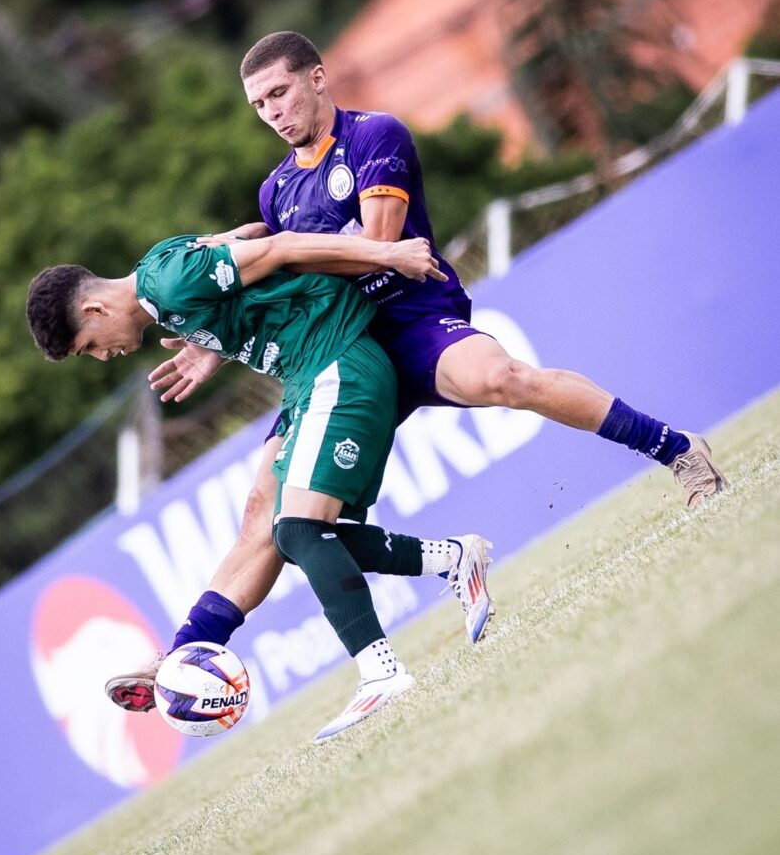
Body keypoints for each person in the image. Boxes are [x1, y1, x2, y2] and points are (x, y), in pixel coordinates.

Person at [107, 29, 727, 718]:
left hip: (407, 318)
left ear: (317, 78)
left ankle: (677, 450)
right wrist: (208, 338)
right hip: (330, 353)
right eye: (258, 104)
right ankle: (181, 656)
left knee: (505, 380)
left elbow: (376, 248)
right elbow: (262, 260)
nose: (272, 112)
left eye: (279, 92)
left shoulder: (375, 137)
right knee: (273, 519)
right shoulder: (276, 190)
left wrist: (280, 255)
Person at [26, 229, 494, 741]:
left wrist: (387, 254)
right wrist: (215, 341)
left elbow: (278, 247)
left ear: (93, 309)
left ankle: (381, 671)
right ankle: (451, 560)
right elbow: (245, 236)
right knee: (264, 519)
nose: (100, 355)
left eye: (89, 346)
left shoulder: (169, 282)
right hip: (305, 378)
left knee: (296, 530)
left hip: (336, 362)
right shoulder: (159, 278)